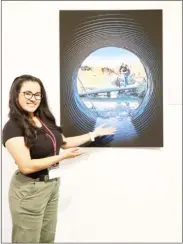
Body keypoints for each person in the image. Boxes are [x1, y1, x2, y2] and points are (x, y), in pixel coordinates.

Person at [2, 74, 116, 243]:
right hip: (29, 190)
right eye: (27, 93)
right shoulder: (12, 127)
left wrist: (94, 134)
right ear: (16, 95)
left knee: (47, 239)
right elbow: (26, 166)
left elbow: (64, 142)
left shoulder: (43, 119)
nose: (33, 98)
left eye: (37, 94)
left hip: (51, 185)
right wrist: (61, 157)